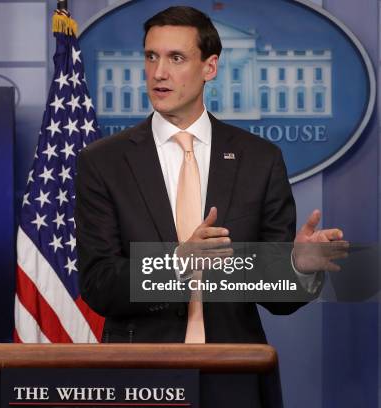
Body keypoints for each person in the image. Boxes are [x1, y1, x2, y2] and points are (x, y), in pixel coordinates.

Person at [75, 6, 344, 408]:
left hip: (234, 373)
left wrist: (296, 267)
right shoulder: (103, 162)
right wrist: (178, 262)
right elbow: (99, 284)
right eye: (151, 57)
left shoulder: (259, 159)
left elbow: (276, 296)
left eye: (176, 58)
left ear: (210, 67)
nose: (159, 72)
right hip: (138, 376)